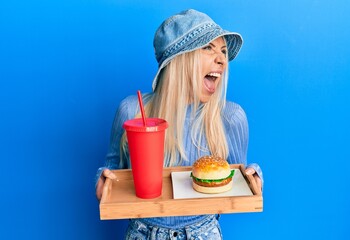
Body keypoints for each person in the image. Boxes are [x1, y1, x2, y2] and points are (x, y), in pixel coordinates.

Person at [95, 9, 263, 240]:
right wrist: (102, 182)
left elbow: (235, 178)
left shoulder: (231, 117)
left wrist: (254, 176)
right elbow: (112, 169)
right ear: (178, 60)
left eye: (223, 51)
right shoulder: (131, 111)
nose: (222, 59)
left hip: (204, 232)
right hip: (143, 232)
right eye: (208, 48)